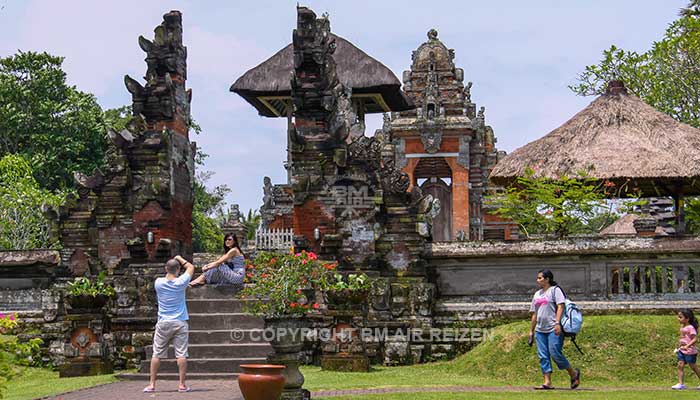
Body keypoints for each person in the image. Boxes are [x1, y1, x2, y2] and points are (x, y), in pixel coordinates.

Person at [143, 255, 195, 393]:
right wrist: (179, 257)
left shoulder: (158, 282)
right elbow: (191, 267)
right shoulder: (181, 282)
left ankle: (152, 384)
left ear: (166, 268)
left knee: (157, 354)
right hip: (180, 322)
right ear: (178, 269)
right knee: (181, 354)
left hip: (164, 322)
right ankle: (182, 385)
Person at [528, 269, 581, 390]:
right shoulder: (537, 294)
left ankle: (573, 373)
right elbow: (534, 314)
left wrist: (557, 323)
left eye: (540, 278)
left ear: (547, 279)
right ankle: (547, 382)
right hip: (540, 330)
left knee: (555, 353)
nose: (538, 280)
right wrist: (531, 330)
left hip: (553, 328)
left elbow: (560, 306)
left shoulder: (555, 290)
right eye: (538, 278)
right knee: (543, 355)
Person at [672, 309, 700, 390]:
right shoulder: (682, 327)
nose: (678, 319)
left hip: (690, 351)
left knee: (693, 367)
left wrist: (687, 346)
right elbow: (683, 338)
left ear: (687, 319)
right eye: (678, 317)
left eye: (680, 317)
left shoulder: (690, 327)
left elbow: (695, 339)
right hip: (682, 350)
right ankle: (681, 384)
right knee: (680, 365)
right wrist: (678, 346)